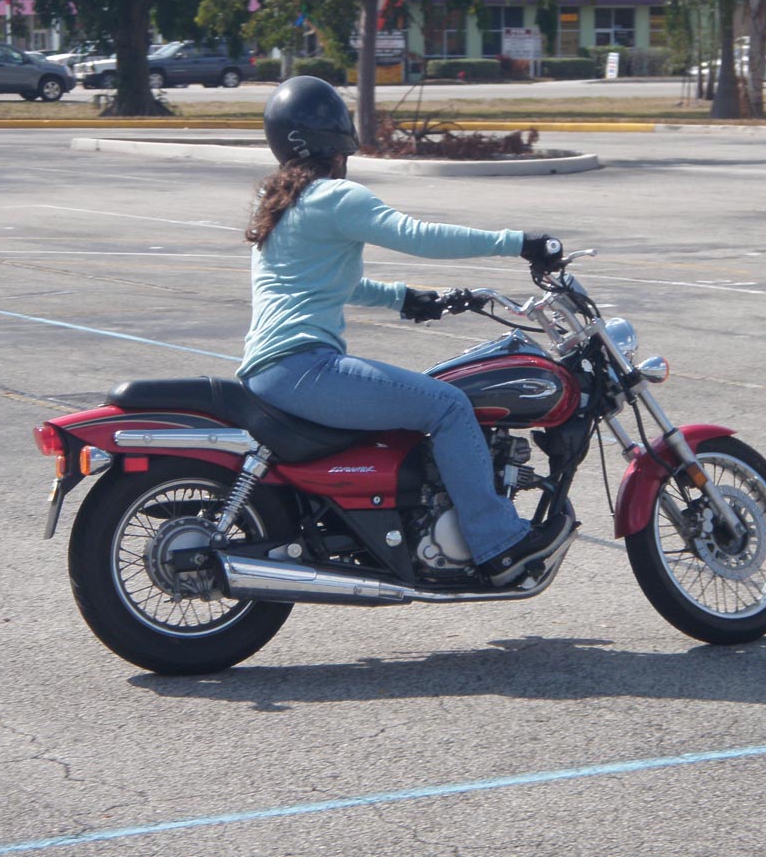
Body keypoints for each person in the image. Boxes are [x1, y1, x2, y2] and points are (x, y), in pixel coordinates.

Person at [238, 76, 572, 587]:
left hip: (274, 370)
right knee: (448, 406)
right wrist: (519, 243)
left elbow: (326, 283)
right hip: (305, 368)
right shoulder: (334, 197)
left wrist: (403, 298)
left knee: (426, 405)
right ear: (336, 139)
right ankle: (498, 543)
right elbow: (418, 236)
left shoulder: (281, 200)